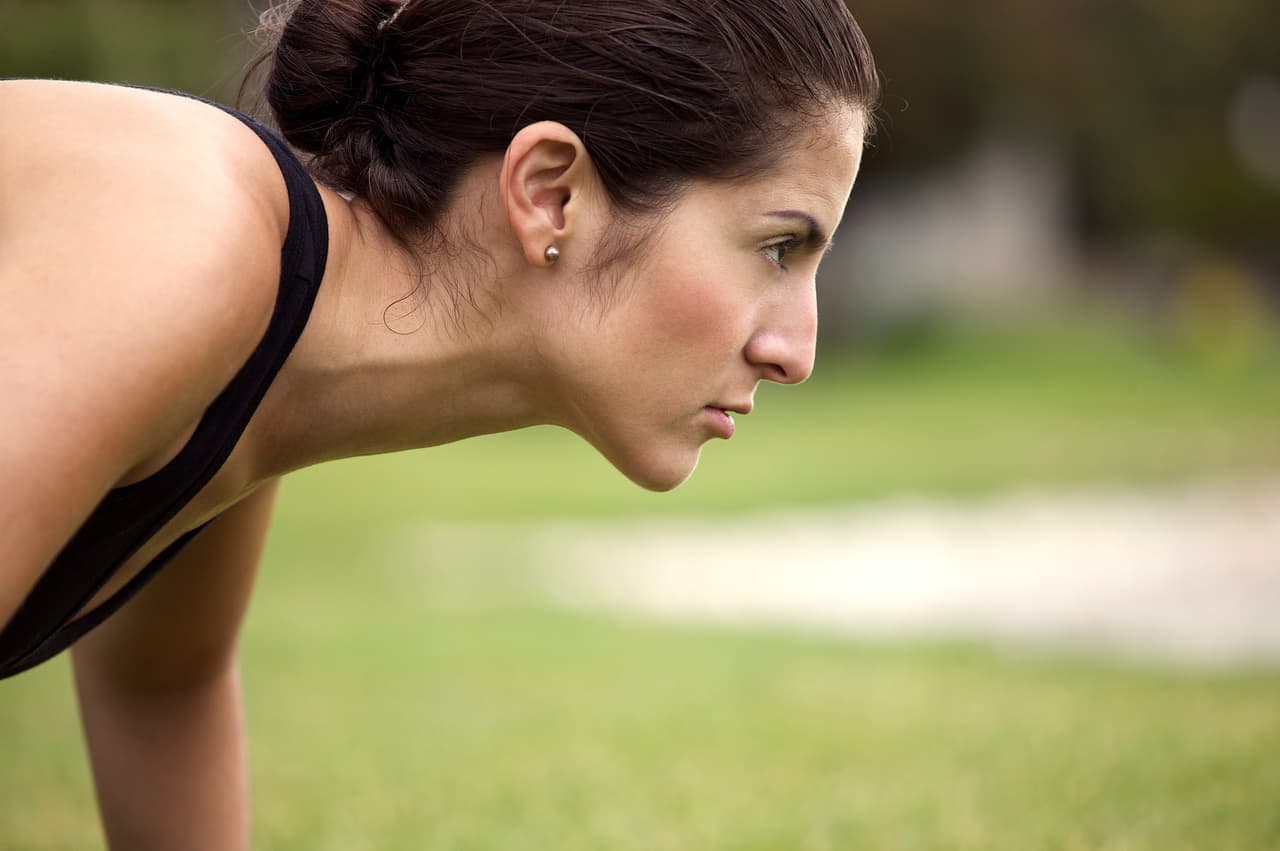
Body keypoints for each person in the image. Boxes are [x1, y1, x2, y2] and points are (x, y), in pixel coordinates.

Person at [0, 0, 877, 846]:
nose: (796, 350)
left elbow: (160, 686)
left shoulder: (260, 345)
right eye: (776, 247)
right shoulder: (186, 238)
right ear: (550, 194)